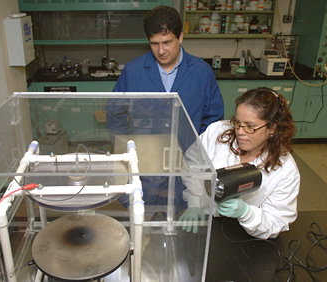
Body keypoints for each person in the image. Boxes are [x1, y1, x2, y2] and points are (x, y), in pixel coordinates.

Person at [106, 5, 224, 214]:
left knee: (181, 216)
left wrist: (194, 147)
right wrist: (128, 146)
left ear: (180, 36)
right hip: (145, 163)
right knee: (144, 215)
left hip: (184, 164)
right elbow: (115, 111)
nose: (161, 51)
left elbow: (214, 118)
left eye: (167, 42)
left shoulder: (201, 72)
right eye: (154, 44)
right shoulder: (133, 71)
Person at [180, 87, 300, 239]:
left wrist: (246, 213)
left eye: (250, 126)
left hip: (247, 237)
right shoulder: (217, 132)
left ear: (272, 128)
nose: (240, 131)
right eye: (237, 122)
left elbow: (277, 221)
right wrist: (194, 203)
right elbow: (192, 164)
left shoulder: (285, 170)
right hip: (203, 221)